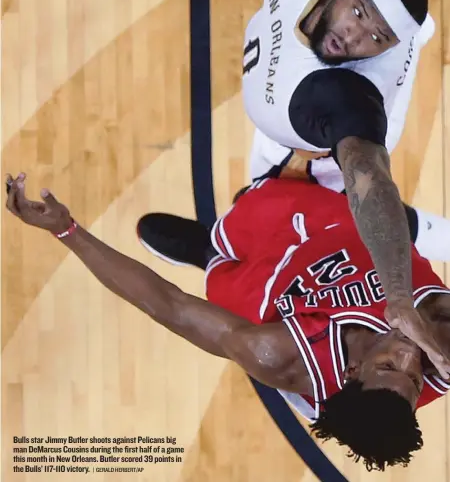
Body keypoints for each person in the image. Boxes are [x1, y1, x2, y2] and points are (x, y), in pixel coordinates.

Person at [5, 173, 450, 471]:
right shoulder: (440, 348)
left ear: (354, 372)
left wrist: (67, 231)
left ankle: (206, 254)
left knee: (221, 281)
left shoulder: (281, 356)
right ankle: (222, 231)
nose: (411, 358)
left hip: (274, 299)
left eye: (391, 367)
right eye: (414, 380)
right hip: (334, 232)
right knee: (267, 196)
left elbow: (171, 307)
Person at [138, 0, 450, 344]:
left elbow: (369, 182)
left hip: (327, 155)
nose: (352, 36)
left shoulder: (339, 95)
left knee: (370, 222)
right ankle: (220, 242)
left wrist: (399, 296)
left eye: (376, 37)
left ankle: (213, 250)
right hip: (291, 134)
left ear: (386, 48)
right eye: (357, 13)